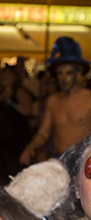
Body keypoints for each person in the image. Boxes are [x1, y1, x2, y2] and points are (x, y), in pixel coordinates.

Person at [20, 36, 91, 165]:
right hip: (60, 160)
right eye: (60, 73)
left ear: (79, 73)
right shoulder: (53, 100)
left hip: (84, 163)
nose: (63, 78)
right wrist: (30, 146)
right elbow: (43, 133)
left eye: (68, 73)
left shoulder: (89, 99)